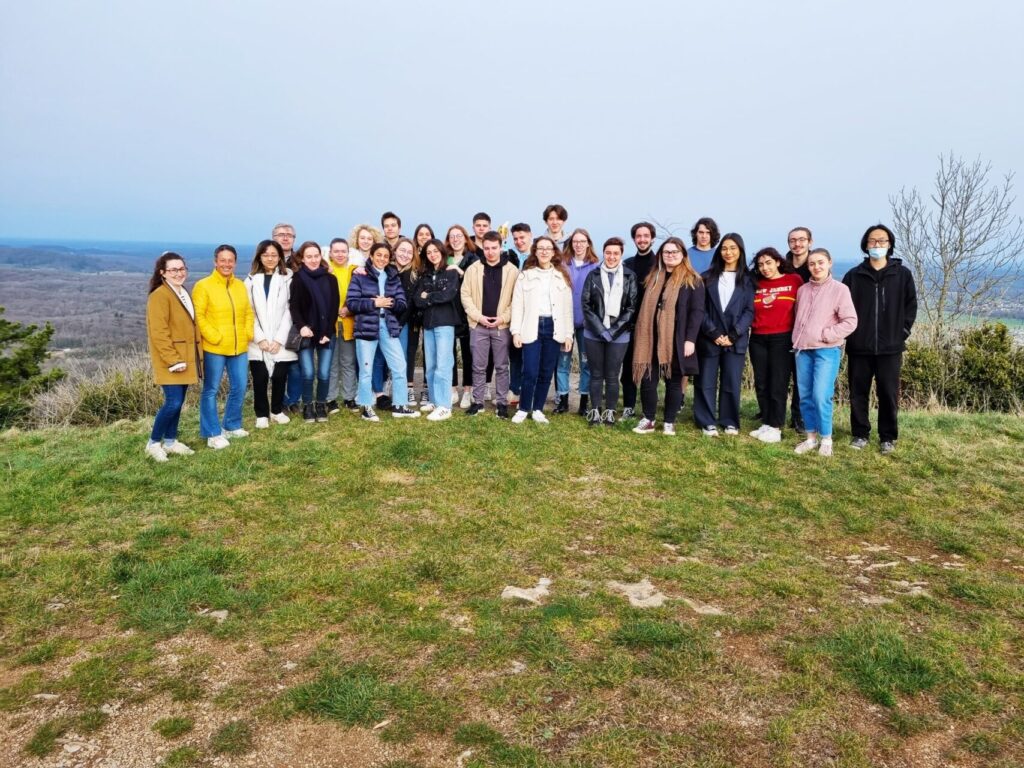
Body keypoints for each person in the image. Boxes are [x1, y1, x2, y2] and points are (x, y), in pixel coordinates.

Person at [843, 223, 917, 454]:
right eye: (872, 241)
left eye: (882, 241)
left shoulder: (902, 274)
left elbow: (910, 306)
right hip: (859, 346)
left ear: (890, 244)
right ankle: (860, 433)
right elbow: (842, 307)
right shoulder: (854, 276)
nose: (877, 245)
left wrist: (902, 332)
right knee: (858, 392)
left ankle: (887, 436)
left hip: (891, 348)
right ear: (865, 245)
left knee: (888, 393)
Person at [630, 238, 705, 435]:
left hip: (676, 339)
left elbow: (697, 313)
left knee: (674, 381)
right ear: (661, 255)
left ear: (683, 255)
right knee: (648, 379)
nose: (670, 255)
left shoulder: (692, 280)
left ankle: (669, 421)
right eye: (666, 252)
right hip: (650, 338)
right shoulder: (653, 277)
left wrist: (690, 340)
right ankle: (648, 418)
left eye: (674, 252)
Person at [791, 248, 858, 456]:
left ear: (830, 263)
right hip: (802, 350)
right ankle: (811, 437)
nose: (816, 267)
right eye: (812, 264)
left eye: (820, 262)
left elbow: (850, 321)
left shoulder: (840, 290)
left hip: (826, 351)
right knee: (805, 395)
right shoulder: (802, 290)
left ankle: (826, 438)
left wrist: (827, 334)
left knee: (821, 395)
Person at [347, 242, 420, 420]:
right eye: (378, 255)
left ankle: (400, 406)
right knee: (366, 368)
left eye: (386, 256)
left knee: (399, 365)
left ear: (389, 259)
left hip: (388, 327)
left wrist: (390, 302)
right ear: (371, 256)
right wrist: (374, 303)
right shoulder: (360, 276)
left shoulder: (392, 276)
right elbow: (352, 303)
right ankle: (366, 407)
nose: (382, 259)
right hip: (367, 328)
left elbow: (402, 303)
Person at [193, 245, 254, 449]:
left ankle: (231, 425)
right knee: (211, 389)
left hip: (239, 347)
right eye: (223, 260)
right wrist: (214, 336)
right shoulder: (204, 286)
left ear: (235, 263)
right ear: (215, 261)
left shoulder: (239, 286)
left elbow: (247, 312)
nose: (227, 264)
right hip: (215, 348)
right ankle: (212, 432)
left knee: (239, 386)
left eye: (230, 260)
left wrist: (248, 333)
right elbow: (199, 316)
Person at [694, 233, 755, 437]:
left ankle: (729, 421)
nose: (728, 252)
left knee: (731, 381)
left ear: (740, 251)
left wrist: (734, 334)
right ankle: (706, 421)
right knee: (705, 381)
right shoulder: (706, 277)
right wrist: (714, 333)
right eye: (724, 248)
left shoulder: (748, 279)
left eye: (733, 248)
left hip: (735, 340)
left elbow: (749, 311)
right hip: (710, 338)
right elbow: (699, 309)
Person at [145, 252, 202, 461]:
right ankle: (153, 443)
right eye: (173, 270)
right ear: (163, 273)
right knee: (173, 402)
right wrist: (173, 360)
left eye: (181, 269)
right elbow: (159, 332)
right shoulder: (160, 295)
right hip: (172, 361)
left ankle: (170, 441)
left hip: (186, 358)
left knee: (179, 402)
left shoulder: (182, 292)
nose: (179, 273)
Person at [509, 237, 573, 423]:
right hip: (531, 326)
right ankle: (523, 408)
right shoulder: (525, 276)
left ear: (554, 252)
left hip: (554, 328)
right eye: (540, 248)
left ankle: (537, 409)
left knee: (546, 371)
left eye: (548, 248)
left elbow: (567, 309)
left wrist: (568, 335)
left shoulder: (561, 277)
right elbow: (517, 306)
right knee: (529, 371)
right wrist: (516, 332)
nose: (544, 252)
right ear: (535, 252)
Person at [582, 237, 639, 426]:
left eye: (616, 253)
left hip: (620, 333)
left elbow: (631, 308)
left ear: (621, 254)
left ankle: (610, 412)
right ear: (603, 253)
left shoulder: (630, 276)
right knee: (596, 374)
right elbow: (586, 304)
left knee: (613, 375)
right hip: (594, 333)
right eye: (608, 253)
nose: (611, 257)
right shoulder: (593, 275)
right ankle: (595, 411)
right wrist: (601, 330)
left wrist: (613, 331)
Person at [748, 247, 803, 443]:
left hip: (783, 338)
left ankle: (776, 426)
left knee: (778, 383)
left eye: (769, 263)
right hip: (757, 338)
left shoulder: (794, 280)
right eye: (761, 264)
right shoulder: (755, 283)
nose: (765, 268)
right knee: (762, 382)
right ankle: (766, 421)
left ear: (778, 262)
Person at [461, 231, 518, 418]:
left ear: (501, 247)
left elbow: (515, 300)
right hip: (479, 325)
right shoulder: (473, 269)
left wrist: (503, 318)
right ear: (482, 248)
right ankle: (478, 402)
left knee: (502, 366)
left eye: (494, 248)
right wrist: (478, 317)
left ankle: (502, 403)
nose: (491, 252)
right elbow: (465, 295)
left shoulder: (512, 271)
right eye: (487, 248)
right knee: (478, 366)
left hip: (501, 326)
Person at [244, 240, 297, 428]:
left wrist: (278, 339)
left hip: (280, 339)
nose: (270, 259)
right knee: (259, 377)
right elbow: (248, 312)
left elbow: (290, 310)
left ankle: (276, 410)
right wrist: (261, 339)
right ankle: (261, 414)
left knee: (280, 377)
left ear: (280, 257)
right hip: (258, 341)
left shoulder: (288, 278)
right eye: (266, 255)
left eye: (274, 255)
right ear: (259, 257)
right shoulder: (250, 280)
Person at [289, 241, 340, 423]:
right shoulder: (298, 279)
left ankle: (320, 405)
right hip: (306, 333)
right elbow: (294, 307)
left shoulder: (330, 279)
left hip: (326, 333)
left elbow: (334, 308)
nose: (313, 260)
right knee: (308, 372)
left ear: (321, 256)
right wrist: (301, 326)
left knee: (324, 373)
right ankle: (308, 405)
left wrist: (327, 331)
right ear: (302, 258)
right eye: (309, 256)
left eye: (316, 256)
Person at [412, 239, 461, 421]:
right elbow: (417, 299)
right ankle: (434, 400)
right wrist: (430, 297)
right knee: (430, 366)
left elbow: (448, 295)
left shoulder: (450, 272)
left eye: (435, 251)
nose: (433, 254)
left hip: (445, 323)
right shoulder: (424, 275)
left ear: (441, 251)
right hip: (429, 324)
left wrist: (429, 296)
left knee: (443, 365)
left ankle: (444, 406)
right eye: (429, 252)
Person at [555, 228, 600, 415]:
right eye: (575, 241)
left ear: (588, 243)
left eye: (582, 241)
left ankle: (583, 402)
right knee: (563, 362)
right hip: (565, 322)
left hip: (586, 323)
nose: (579, 244)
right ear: (571, 243)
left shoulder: (596, 265)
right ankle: (563, 400)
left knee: (586, 363)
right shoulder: (563, 264)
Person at [620, 221, 658, 419]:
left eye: (646, 236)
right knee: (627, 367)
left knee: (646, 369)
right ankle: (628, 406)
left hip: (650, 325)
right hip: (628, 324)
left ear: (652, 238)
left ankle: (648, 409)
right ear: (634, 239)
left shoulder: (659, 265)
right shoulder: (627, 264)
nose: (642, 239)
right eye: (638, 236)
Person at [783, 226, 815, 433]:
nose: (797, 244)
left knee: (802, 377)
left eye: (802, 240)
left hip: (807, 330)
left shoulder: (814, 266)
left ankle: (799, 417)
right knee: (779, 374)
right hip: (783, 327)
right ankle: (771, 411)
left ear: (810, 242)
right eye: (793, 240)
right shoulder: (783, 266)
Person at [445, 224, 479, 408]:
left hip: (466, 311)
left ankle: (467, 390)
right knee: (448, 352)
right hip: (448, 311)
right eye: (452, 236)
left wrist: (460, 272)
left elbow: (477, 283)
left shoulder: (473, 259)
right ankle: (452, 389)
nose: (456, 239)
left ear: (466, 238)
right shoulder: (444, 258)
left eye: (459, 236)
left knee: (468, 353)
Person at [325, 238, 358, 412]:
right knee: (331, 363)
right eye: (336, 251)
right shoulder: (325, 271)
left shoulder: (354, 271)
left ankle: (349, 397)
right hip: (329, 325)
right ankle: (330, 399)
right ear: (330, 253)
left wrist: (348, 310)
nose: (339, 254)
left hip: (348, 323)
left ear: (348, 253)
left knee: (348, 362)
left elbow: (359, 295)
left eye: (343, 251)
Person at [272, 223, 301, 413]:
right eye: (281, 235)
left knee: (295, 365)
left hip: (297, 318)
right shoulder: (268, 259)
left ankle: (293, 400)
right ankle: (279, 400)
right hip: (273, 318)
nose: (285, 238)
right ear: (274, 237)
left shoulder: (300, 261)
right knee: (276, 364)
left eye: (289, 235)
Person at [505, 223, 533, 407]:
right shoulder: (511, 257)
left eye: (522, 237)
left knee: (529, 356)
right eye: (515, 238)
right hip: (513, 310)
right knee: (514, 354)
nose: (519, 241)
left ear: (530, 236)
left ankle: (527, 392)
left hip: (531, 312)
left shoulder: (537, 257)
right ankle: (514, 390)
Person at [393, 237, 422, 405]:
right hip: (388, 321)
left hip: (406, 322)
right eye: (402, 250)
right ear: (395, 250)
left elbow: (410, 302)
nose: (405, 255)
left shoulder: (413, 274)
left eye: (409, 252)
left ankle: (406, 389)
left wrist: (400, 323)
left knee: (406, 355)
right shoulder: (389, 271)